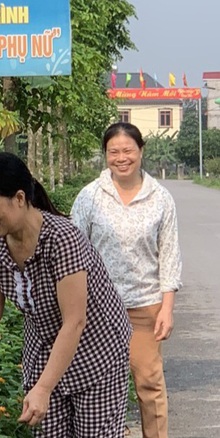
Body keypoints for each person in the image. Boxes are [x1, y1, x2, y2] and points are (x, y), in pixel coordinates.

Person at [0, 152, 132, 437]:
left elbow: (75, 321)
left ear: (19, 198)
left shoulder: (62, 239)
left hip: (96, 355)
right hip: (45, 354)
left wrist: (44, 389)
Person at [71, 122, 182, 438]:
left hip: (144, 307)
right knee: (101, 386)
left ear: (141, 151)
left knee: (149, 383)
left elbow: (169, 256)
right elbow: (73, 254)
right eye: (114, 151)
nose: (122, 158)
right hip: (97, 310)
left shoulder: (161, 198)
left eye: (128, 150)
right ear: (105, 154)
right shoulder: (90, 197)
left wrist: (167, 308)